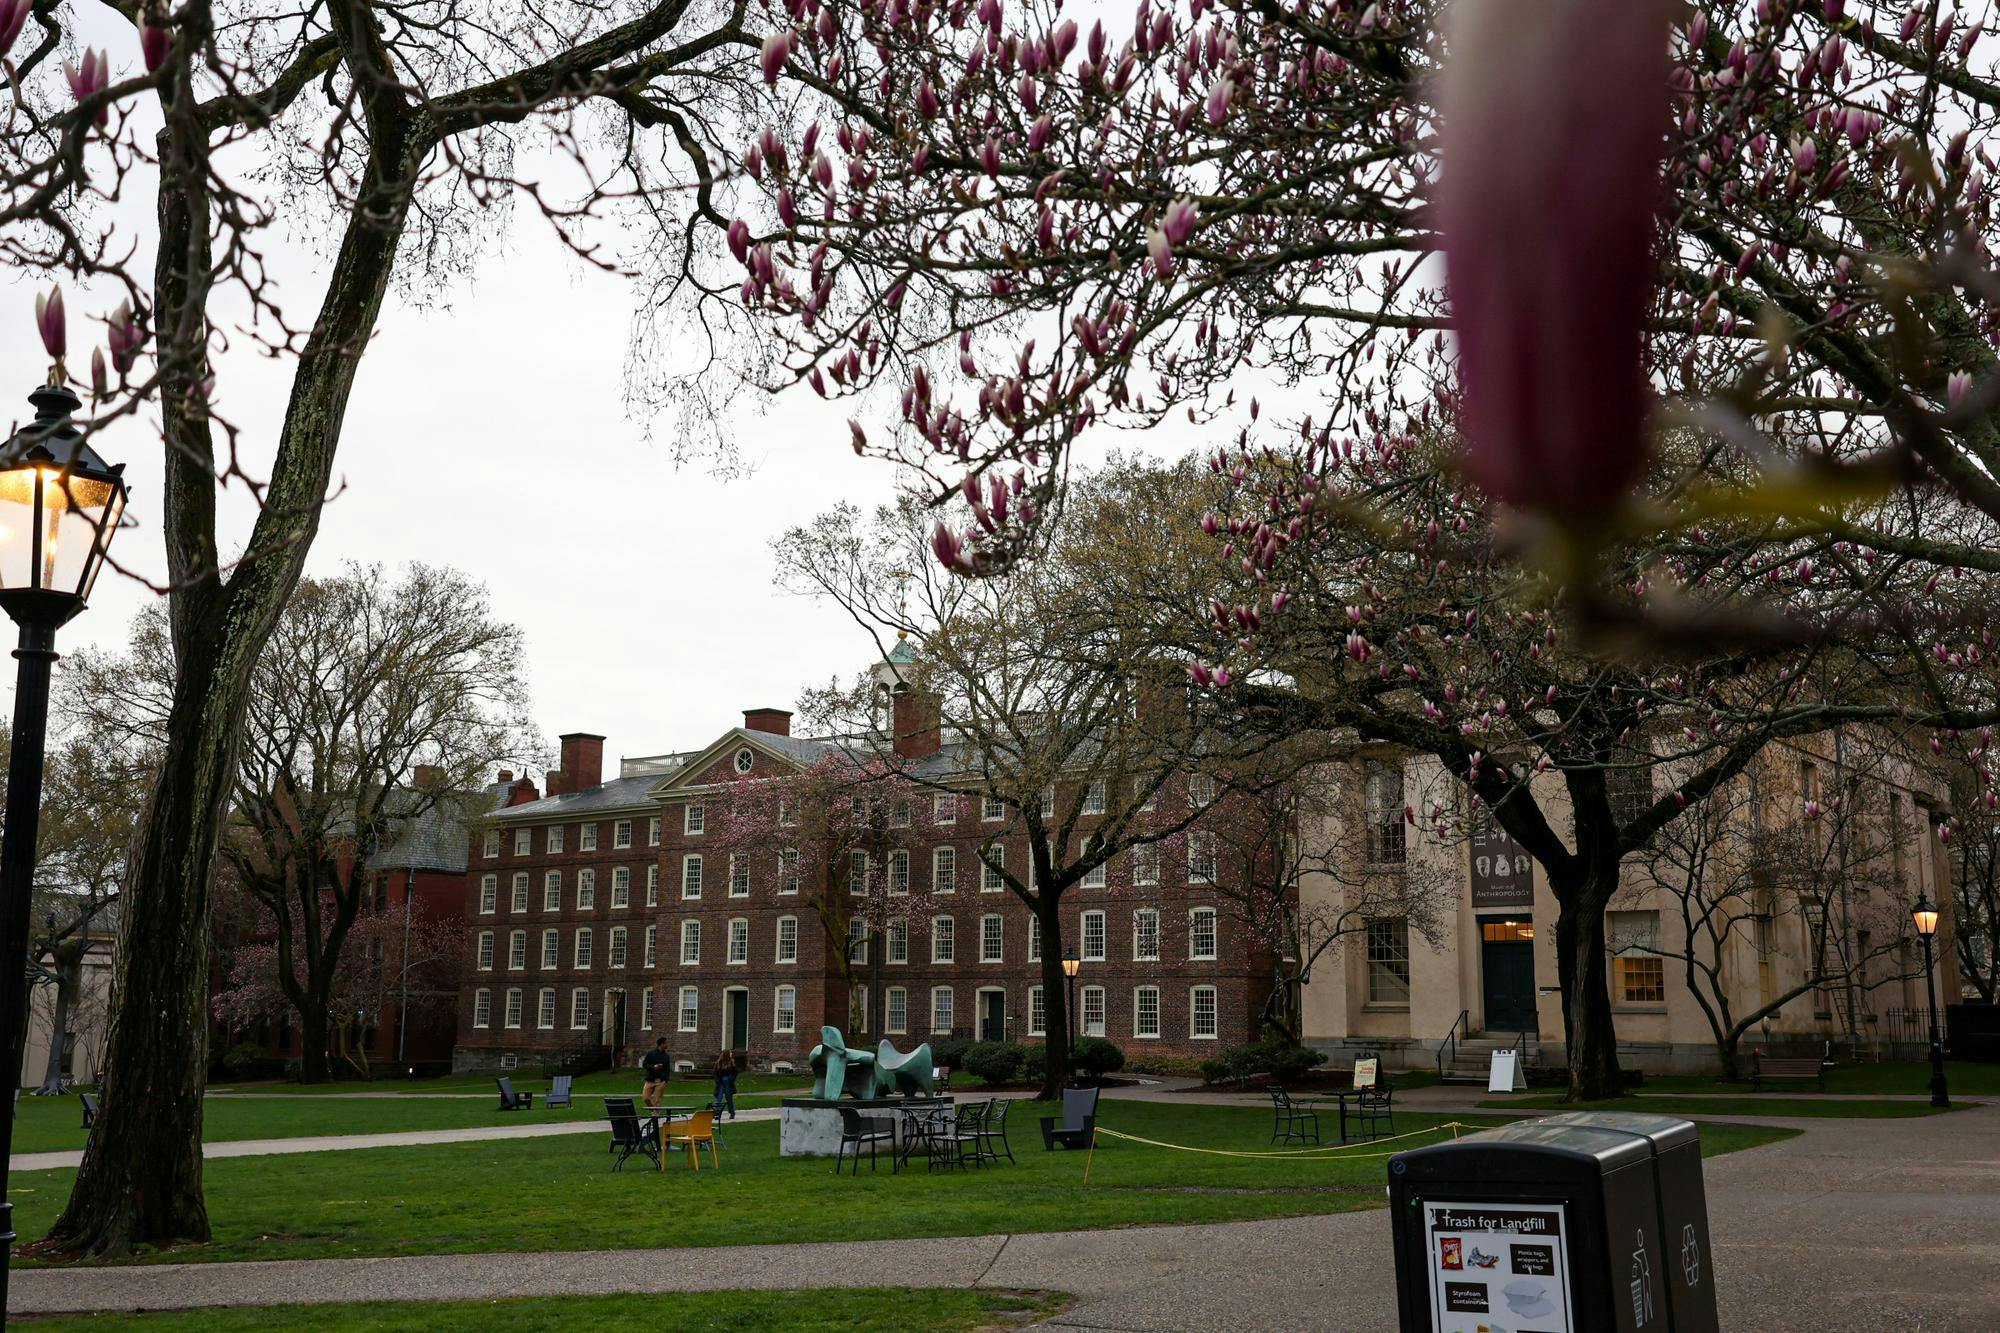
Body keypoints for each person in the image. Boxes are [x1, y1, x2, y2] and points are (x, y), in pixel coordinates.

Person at [641, 1037, 671, 1109]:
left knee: (657, 1100)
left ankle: (655, 1116)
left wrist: (666, 1080)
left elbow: (667, 1068)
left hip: (660, 1081)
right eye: (666, 1043)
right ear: (661, 1044)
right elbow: (645, 1064)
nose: (667, 1045)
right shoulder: (651, 1053)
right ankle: (653, 1111)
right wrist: (653, 1067)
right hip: (650, 1080)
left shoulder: (666, 1056)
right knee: (646, 1098)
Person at [713, 1048, 738, 1120]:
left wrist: (731, 1079)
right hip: (721, 1083)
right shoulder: (718, 1063)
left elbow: (735, 1073)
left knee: (729, 1097)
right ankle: (718, 1112)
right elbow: (715, 1073)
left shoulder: (732, 1063)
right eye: (730, 1053)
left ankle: (731, 1112)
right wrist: (717, 1081)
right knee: (719, 1097)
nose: (731, 1054)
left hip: (728, 1083)